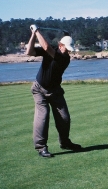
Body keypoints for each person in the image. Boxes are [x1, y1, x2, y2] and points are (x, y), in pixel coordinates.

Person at [26, 25, 82, 158]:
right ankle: (41, 147)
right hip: (39, 89)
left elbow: (46, 47)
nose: (68, 52)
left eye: (69, 50)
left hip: (55, 90)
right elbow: (29, 52)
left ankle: (65, 142)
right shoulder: (51, 51)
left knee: (64, 117)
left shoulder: (64, 58)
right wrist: (33, 34)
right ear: (60, 45)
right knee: (43, 116)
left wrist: (37, 30)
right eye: (66, 48)